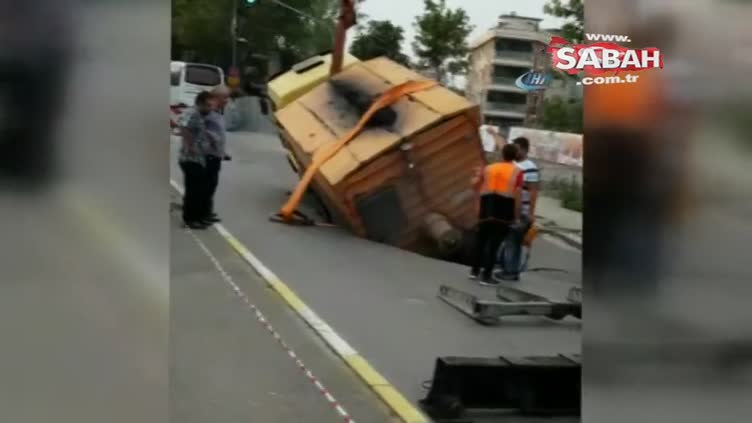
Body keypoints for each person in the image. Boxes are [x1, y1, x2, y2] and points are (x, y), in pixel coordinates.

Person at [469, 144, 524, 285]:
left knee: (481, 240)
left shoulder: (489, 168)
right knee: (494, 243)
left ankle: (474, 271)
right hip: (503, 210)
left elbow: (474, 184)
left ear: (502, 154)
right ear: (516, 155)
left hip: (486, 207)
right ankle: (486, 276)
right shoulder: (517, 172)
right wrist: (517, 217)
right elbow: (517, 196)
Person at [495, 137, 540, 281]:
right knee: (509, 240)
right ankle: (506, 267)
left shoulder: (530, 166)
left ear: (524, 149)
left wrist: (531, 213)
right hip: (510, 209)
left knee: (514, 241)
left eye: (517, 148)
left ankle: (511, 271)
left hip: (522, 211)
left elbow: (533, 191)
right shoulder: (513, 164)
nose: (514, 150)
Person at [177, 91, 214, 229]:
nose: (210, 109)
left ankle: (196, 217)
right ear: (200, 103)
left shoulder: (200, 115)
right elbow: (182, 125)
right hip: (190, 159)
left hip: (198, 159)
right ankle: (189, 219)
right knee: (193, 191)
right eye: (208, 106)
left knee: (198, 190)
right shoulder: (192, 113)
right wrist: (190, 145)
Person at [201, 86, 231, 224]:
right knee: (204, 186)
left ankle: (207, 212)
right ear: (216, 98)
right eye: (225, 97)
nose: (227, 100)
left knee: (211, 185)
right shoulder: (206, 112)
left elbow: (218, 133)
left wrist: (222, 152)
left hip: (215, 155)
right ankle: (200, 214)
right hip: (206, 155)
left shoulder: (218, 113)